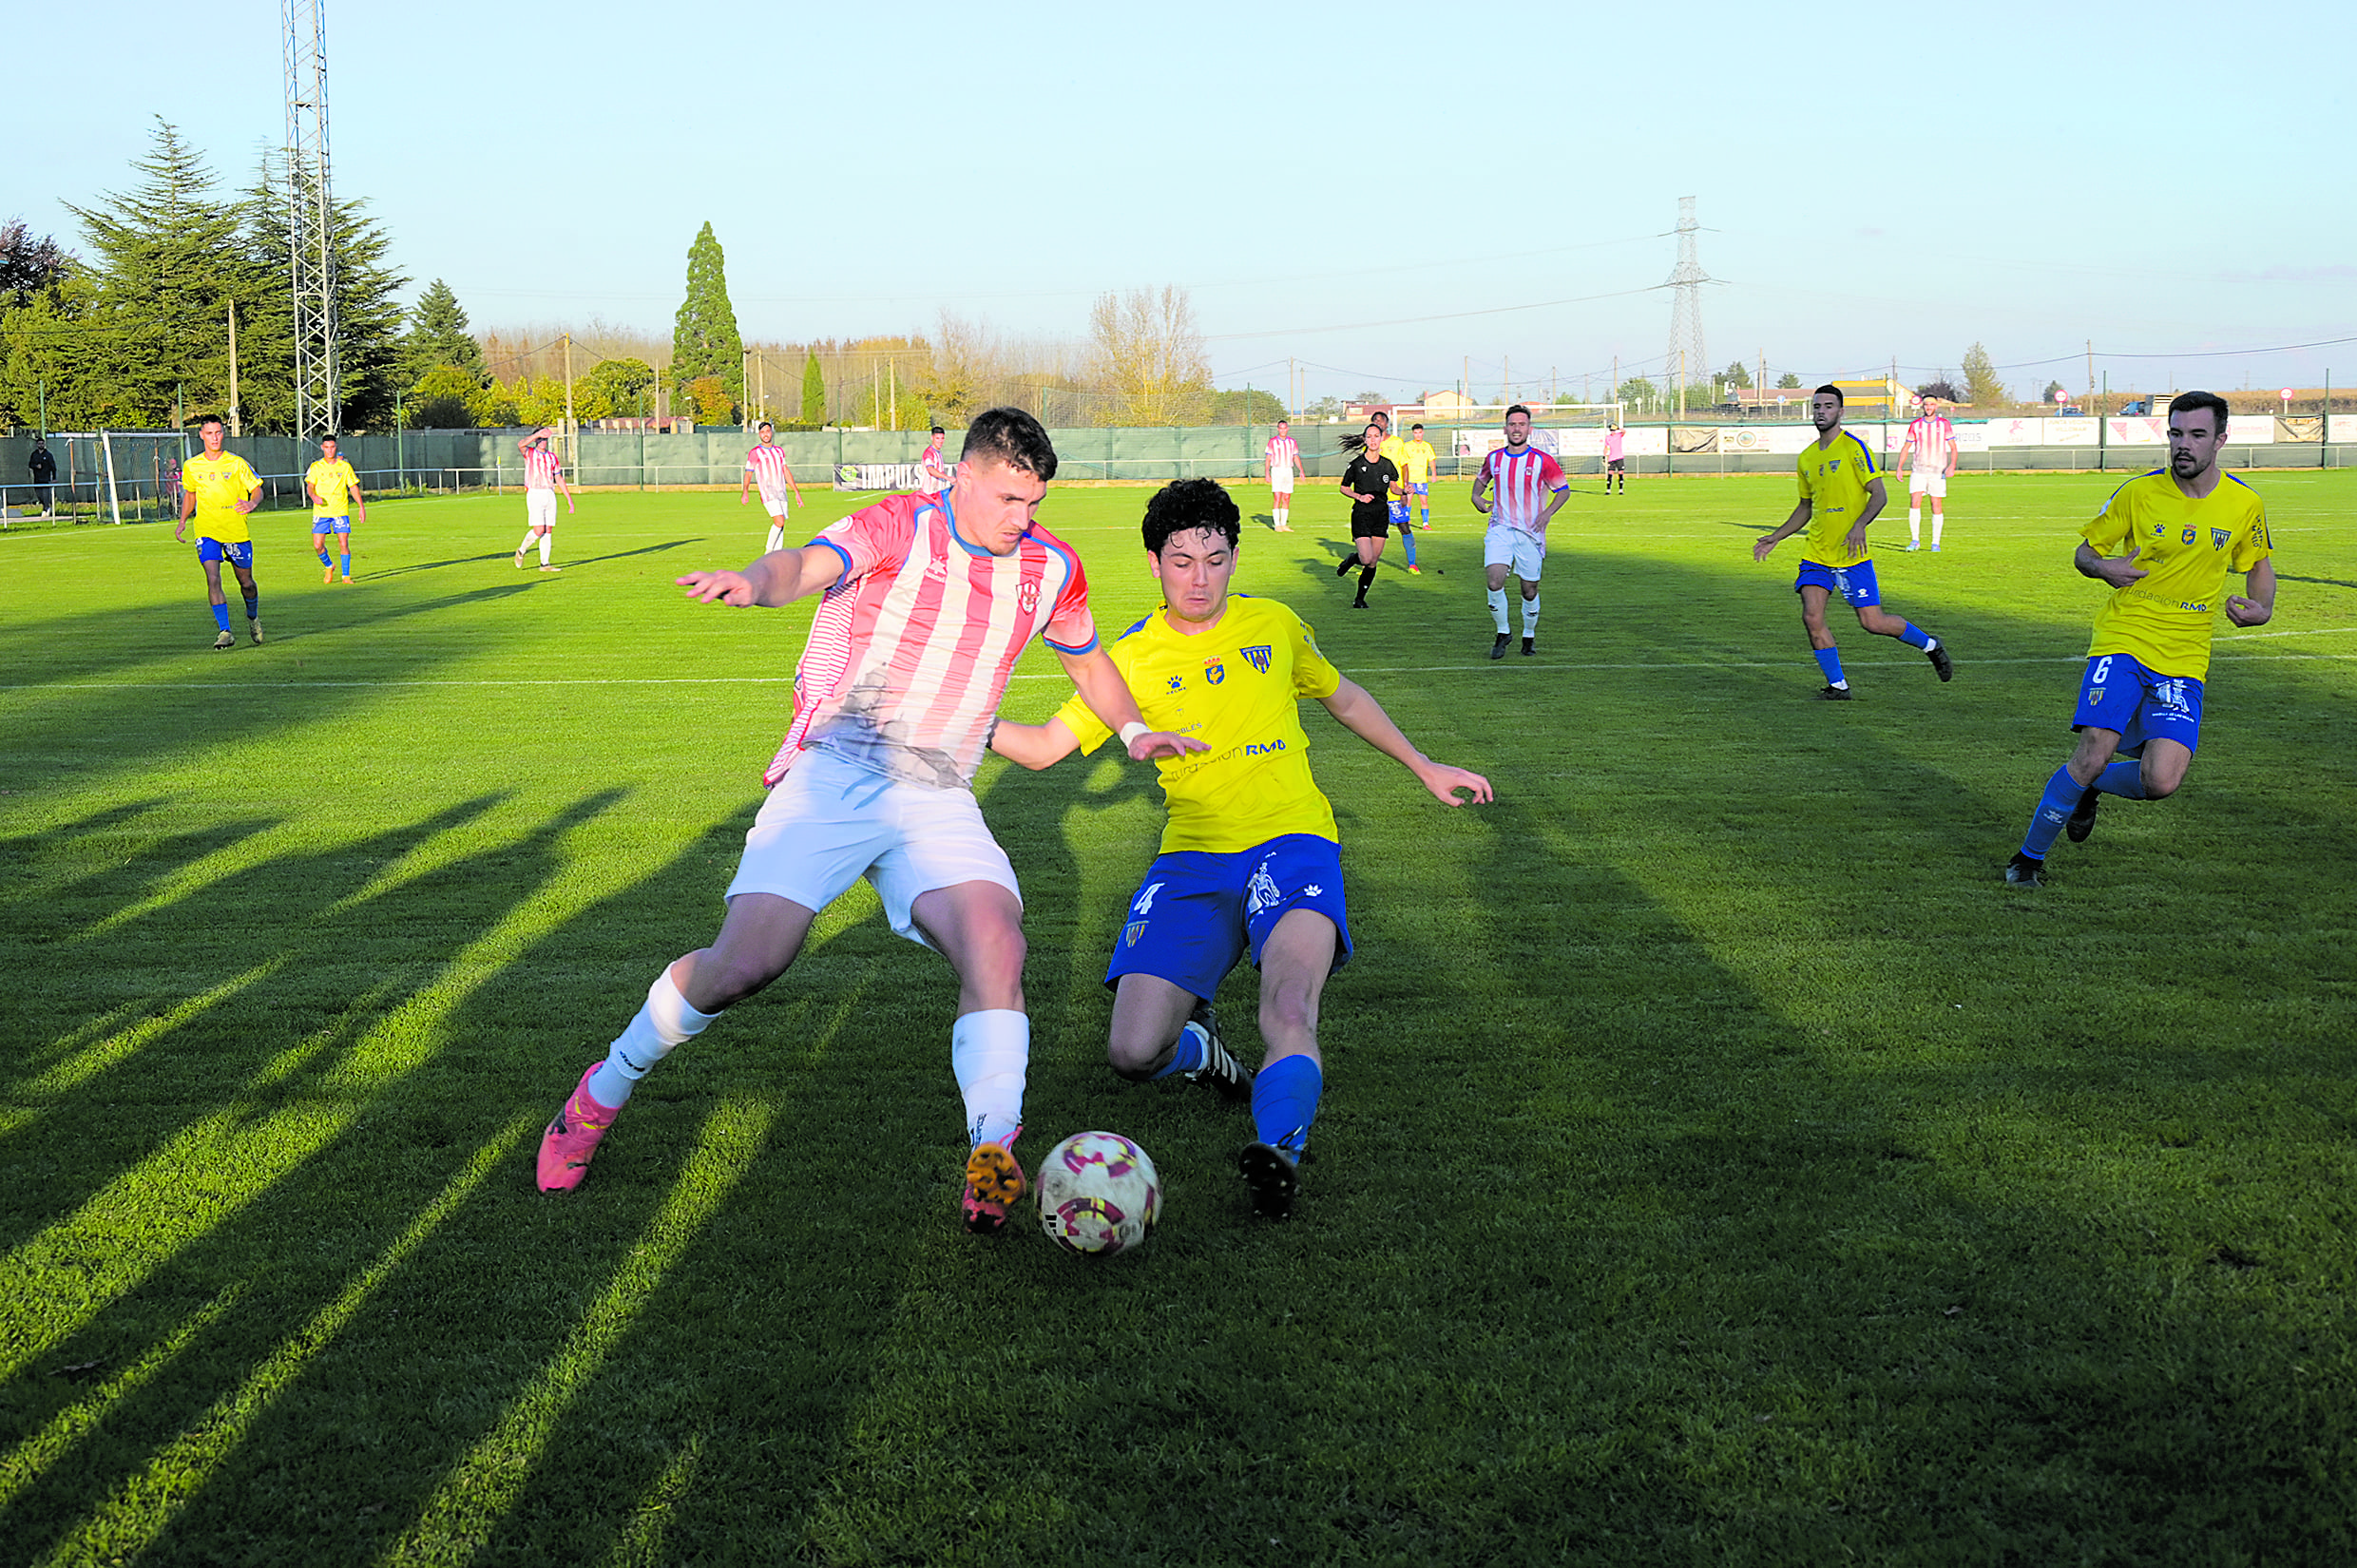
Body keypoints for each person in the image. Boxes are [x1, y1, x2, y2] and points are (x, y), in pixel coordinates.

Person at [532, 408, 1198, 1237]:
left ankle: (992, 1151)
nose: (1020, 518)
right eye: (1005, 499)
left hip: (939, 792)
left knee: (997, 941)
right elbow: (805, 564)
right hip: (837, 777)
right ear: (961, 476)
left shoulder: (1050, 566)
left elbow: (1087, 658)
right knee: (746, 964)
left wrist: (1134, 730)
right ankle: (605, 1089)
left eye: (1032, 501)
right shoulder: (901, 524)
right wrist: (752, 580)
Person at [988, 478, 1491, 1218]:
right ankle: (1206, 1054)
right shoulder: (1127, 658)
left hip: (1293, 844)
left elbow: (1342, 695)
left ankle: (1280, 1150)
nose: (1200, 579)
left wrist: (1424, 765)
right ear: (1154, 562)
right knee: (1133, 1053)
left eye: (1217, 559)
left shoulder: (1275, 625)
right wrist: (957, 718)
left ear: (1233, 558)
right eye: (1183, 560)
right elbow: (1041, 749)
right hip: (1191, 859)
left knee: (1289, 1004)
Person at [2003, 392, 2274, 888]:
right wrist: (2105, 568)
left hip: (2187, 654)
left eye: (2196, 435)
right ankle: (2028, 860)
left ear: (2221, 439)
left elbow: (2258, 565)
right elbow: (2085, 552)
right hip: (2124, 637)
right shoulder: (2138, 493)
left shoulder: (2244, 503)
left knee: (2161, 781)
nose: (2183, 446)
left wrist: (2263, 607)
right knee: (2094, 749)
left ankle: (2089, 788)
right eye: (2175, 434)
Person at [1751, 385, 1954, 698]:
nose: (1821, 411)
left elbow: (1880, 495)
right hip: (1817, 553)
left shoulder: (1853, 449)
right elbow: (1805, 507)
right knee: (1811, 616)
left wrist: (1860, 525)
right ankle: (1838, 686)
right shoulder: (1806, 458)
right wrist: (1775, 537)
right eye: (1817, 406)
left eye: (1828, 406)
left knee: (1872, 622)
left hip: (1851, 555)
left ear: (1841, 412)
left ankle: (1930, 644)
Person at [1469, 404, 1568, 659]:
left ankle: (1528, 635)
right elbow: (1480, 482)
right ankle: (1503, 632)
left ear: (1529, 429)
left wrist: (1546, 514)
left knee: (1529, 590)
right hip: (1500, 529)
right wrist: (1476, 498)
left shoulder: (1542, 460)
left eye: (1521, 424)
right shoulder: (1494, 458)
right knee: (1494, 580)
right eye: (1512, 424)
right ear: (1505, 428)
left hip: (1530, 534)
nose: (1516, 429)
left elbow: (1563, 491)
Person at [173, 417, 264, 650]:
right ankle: (225, 631)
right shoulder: (192, 466)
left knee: (246, 583)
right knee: (213, 577)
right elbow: (191, 495)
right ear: (201, 435)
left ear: (223, 434)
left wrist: (251, 504)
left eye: (219, 432)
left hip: (235, 531)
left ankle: (252, 617)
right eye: (210, 433)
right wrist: (183, 520)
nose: (215, 437)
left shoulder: (236, 463)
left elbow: (257, 489)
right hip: (206, 530)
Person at [1333, 420, 1400, 609]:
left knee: (1372, 561)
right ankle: (1352, 559)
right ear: (1364, 439)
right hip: (1362, 513)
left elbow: (1394, 487)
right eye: (1369, 437)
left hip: (1381, 514)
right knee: (1365, 558)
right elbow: (1343, 488)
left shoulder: (1387, 465)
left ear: (1381, 439)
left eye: (1376, 436)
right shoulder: (1356, 464)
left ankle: (1359, 599)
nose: (1373, 440)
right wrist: (1359, 497)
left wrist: (1404, 491)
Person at [1898, 395, 1959, 552]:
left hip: (1937, 471)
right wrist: (1899, 467)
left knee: (1936, 504)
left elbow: (1953, 447)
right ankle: (1915, 540)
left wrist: (1952, 465)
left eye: (1932, 404)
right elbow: (1906, 447)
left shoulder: (1944, 424)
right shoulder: (1916, 425)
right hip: (1919, 470)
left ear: (1936, 406)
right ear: (1923, 407)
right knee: (1915, 501)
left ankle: (1935, 543)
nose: (1929, 407)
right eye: (1926, 405)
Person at [740, 420, 806, 554]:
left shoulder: (779, 451)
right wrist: (745, 491)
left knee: (782, 525)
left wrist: (796, 492)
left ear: (771, 433)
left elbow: (786, 471)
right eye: (763, 432)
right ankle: (768, 553)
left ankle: (776, 556)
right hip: (767, 492)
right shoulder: (755, 453)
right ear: (759, 434)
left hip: (781, 491)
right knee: (779, 521)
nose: (765, 434)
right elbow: (748, 473)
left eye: (768, 431)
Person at [513, 429, 574, 571]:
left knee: (548, 529)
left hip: (549, 492)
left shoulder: (552, 457)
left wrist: (569, 499)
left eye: (545, 439)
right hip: (535, 493)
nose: (543, 442)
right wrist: (537, 434)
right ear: (536, 440)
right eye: (541, 439)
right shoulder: (530, 453)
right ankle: (521, 550)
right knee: (539, 529)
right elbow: (520, 444)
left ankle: (544, 564)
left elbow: (558, 477)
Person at [305, 435, 363, 583]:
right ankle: (329, 566)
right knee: (318, 545)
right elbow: (310, 486)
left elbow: (353, 487)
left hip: (340, 511)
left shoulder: (344, 467)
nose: (330, 450)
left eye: (332, 447)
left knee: (343, 543)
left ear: (336, 447)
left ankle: (346, 576)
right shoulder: (316, 467)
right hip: (321, 512)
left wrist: (361, 507)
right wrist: (313, 497)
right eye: (327, 447)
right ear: (322, 448)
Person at [1373, 412, 1419, 572]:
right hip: (1377, 496)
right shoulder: (1371, 445)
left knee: (1404, 527)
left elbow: (1404, 466)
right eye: (1374, 421)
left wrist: (1404, 491)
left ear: (1386, 424)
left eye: (1380, 421)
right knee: (1374, 531)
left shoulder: (1397, 442)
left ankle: (1412, 564)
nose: (1377, 423)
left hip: (1395, 494)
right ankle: (1369, 565)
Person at [1264, 418, 1307, 531]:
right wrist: (1267, 473)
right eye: (1280, 428)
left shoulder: (1292, 442)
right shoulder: (1272, 441)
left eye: (1284, 428)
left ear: (1287, 429)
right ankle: (1277, 524)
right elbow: (1268, 458)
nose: (1283, 430)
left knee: (1287, 497)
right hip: (1277, 470)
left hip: (1288, 470)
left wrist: (1301, 470)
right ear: (1278, 429)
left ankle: (1283, 524)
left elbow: (1295, 456)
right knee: (1277, 496)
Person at [1401, 422, 1439, 530]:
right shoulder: (1407, 446)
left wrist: (1434, 474)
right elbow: (1403, 462)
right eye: (1416, 433)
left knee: (1424, 501)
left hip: (1422, 480)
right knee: (1408, 500)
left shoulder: (1427, 446)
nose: (1418, 435)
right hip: (1410, 479)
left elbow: (1431, 460)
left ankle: (1425, 523)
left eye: (1420, 432)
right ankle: (1406, 520)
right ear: (1413, 433)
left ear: (1423, 433)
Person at [28, 437, 56, 517]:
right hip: (37, 479)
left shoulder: (48, 455)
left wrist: (54, 478)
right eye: (39, 443)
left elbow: (53, 467)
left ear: (44, 444)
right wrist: (36, 466)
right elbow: (30, 464)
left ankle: (46, 508)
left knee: (45, 495)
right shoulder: (34, 454)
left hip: (46, 478)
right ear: (37, 444)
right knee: (39, 495)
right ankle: (45, 506)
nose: (41, 445)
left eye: (42, 443)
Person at [920, 425, 953, 491]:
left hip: (938, 491)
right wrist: (947, 477)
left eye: (942, 438)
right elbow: (930, 470)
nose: (940, 441)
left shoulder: (938, 452)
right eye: (937, 438)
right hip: (929, 493)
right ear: (932, 438)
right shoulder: (929, 453)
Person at [1601, 423, 1627, 494]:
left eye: (1613, 430)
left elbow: (1624, 431)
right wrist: (1604, 456)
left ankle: (1621, 490)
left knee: (1621, 473)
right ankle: (1608, 490)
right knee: (1610, 473)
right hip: (1611, 458)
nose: (1612, 432)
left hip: (1619, 457)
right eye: (1611, 430)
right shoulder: (1608, 437)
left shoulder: (1619, 435)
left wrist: (1618, 428)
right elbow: (1606, 447)